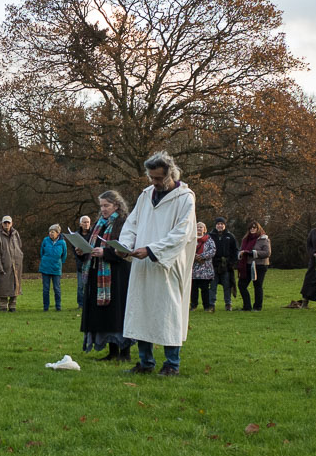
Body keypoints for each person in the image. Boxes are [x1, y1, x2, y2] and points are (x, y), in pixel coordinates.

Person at [120, 151, 196, 376]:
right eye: (152, 177)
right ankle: (145, 362)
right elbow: (132, 223)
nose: (155, 182)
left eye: (159, 178)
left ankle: (172, 364)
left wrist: (153, 250)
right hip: (141, 263)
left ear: (171, 174)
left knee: (168, 312)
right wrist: (124, 245)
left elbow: (182, 233)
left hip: (167, 265)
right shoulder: (146, 195)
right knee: (142, 310)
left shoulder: (185, 198)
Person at [80, 191, 133, 361]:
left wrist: (106, 252)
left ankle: (125, 353)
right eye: (101, 205)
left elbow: (127, 249)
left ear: (116, 205)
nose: (102, 209)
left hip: (118, 275)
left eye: (106, 205)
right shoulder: (99, 224)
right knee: (106, 315)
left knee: (119, 314)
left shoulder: (124, 223)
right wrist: (83, 250)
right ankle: (112, 352)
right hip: (99, 275)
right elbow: (93, 245)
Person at [288, 213, 316, 309]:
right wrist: (313, 253)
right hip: (314, 260)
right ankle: (305, 302)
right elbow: (308, 245)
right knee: (308, 280)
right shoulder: (313, 232)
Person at [236, 222, 271, 311]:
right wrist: (240, 253)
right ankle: (247, 306)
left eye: (254, 228)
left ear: (258, 228)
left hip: (260, 265)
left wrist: (252, 253)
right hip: (247, 265)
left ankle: (257, 307)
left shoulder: (264, 239)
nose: (252, 229)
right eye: (250, 228)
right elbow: (241, 249)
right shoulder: (245, 239)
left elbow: (267, 253)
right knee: (241, 285)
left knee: (257, 286)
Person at [0, 216, 24, 312]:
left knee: (15, 285)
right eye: (5, 223)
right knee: (3, 286)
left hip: (16, 264)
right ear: (2, 223)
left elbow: (19, 246)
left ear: (11, 223)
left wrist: (20, 257)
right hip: (4, 264)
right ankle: (3, 306)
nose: (7, 224)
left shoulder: (15, 234)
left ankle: (13, 305)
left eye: (8, 223)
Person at [208, 217, 239, 311]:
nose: (220, 226)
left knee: (227, 285)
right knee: (213, 286)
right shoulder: (210, 236)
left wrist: (232, 263)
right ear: (215, 225)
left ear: (224, 225)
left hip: (226, 265)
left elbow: (235, 251)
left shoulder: (230, 236)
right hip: (213, 265)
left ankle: (228, 304)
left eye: (222, 224)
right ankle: (211, 304)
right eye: (218, 224)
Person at [39, 223, 67, 311]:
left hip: (56, 268)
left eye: (53, 232)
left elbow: (64, 255)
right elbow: (41, 252)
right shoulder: (45, 240)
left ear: (58, 233)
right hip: (45, 267)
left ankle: (58, 306)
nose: (51, 233)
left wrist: (59, 263)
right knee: (46, 289)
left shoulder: (62, 242)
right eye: (50, 232)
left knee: (57, 288)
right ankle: (45, 307)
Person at [190, 222, 216, 312]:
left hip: (205, 269)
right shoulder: (191, 239)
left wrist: (202, 256)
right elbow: (186, 250)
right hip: (193, 269)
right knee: (193, 289)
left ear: (205, 229)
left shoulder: (209, 240)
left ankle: (206, 306)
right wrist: (194, 256)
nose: (199, 229)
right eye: (197, 227)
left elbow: (212, 251)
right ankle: (193, 305)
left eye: (201, 227)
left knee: (205, 289)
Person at [72, 215, 93, 308]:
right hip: (80, 264)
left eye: (88, 222)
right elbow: (74, 249)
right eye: (84, 222)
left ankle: (90, 303)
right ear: (80, 224)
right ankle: (80, 304)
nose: (86, 224)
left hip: (92, 263)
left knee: (90, 285)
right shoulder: (76, 235)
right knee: (80, 286)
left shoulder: (93, 234)